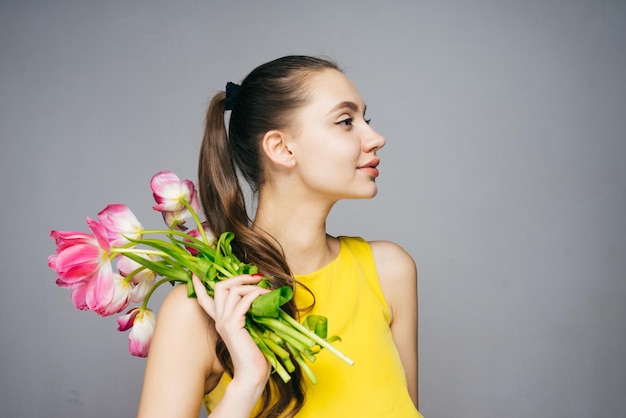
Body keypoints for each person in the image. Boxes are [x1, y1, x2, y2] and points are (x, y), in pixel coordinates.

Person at [136, 55, 423, 418]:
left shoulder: (389, 272)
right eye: (346, 121)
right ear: (281, 148)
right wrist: (247, 384)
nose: (376, 138)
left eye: (367, 119)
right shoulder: (198, 310)